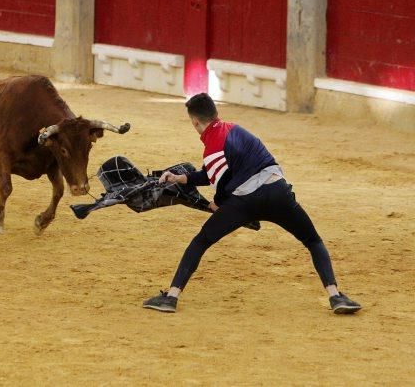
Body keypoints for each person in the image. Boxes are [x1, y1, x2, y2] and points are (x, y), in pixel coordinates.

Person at [143, 93, 362, 315]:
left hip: (245, 203)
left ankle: (171, 298)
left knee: (201, 242)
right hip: (278, 193)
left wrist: (215, 205)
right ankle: (335, 296)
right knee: (313, 241)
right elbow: (213, 174)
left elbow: (219, 183)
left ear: (195, 122)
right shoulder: (236, 131)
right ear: (216, 114)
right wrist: (182, 178)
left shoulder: (212, 147)